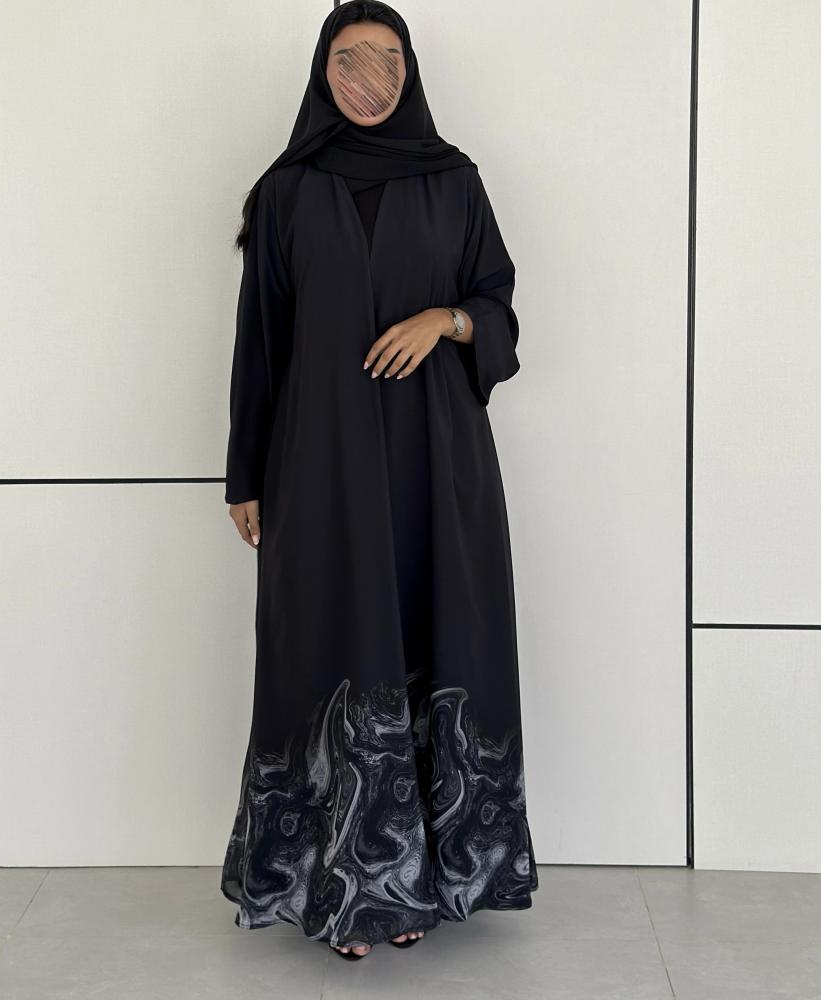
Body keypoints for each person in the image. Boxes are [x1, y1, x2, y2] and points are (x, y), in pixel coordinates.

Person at [220, 0, 539, 961]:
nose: (369, 75)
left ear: (412, 69)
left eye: (388, 56)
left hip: (436, 465)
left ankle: (416, 886)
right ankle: (342, 885)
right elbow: (259, 344)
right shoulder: (287, 190)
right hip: (317, 463)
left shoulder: (453, 181)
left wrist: (444, 319)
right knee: (325, 644)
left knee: (437, 639)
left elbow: (498, 306)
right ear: (322, 71)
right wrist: (245, 475)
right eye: (349, 57)